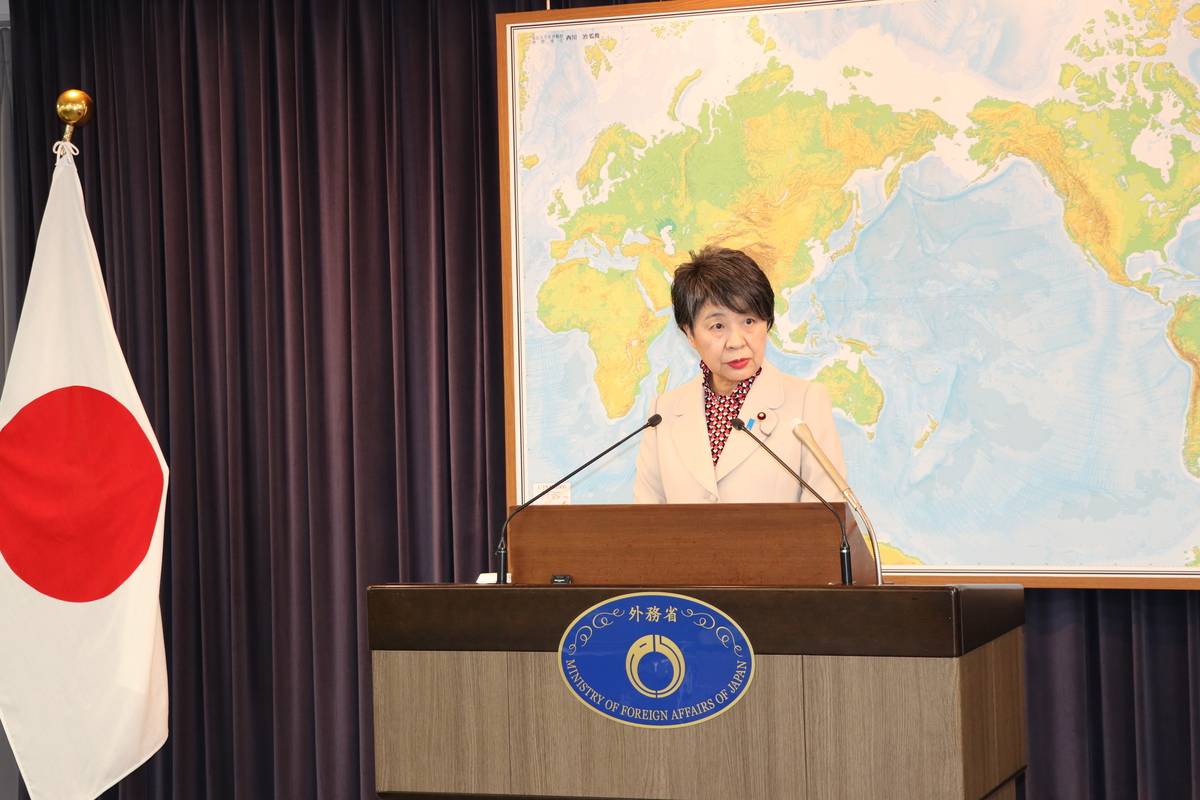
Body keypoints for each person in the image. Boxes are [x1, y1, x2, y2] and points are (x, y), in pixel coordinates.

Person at [634, 246, 847, 503]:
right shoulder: (663, 413)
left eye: (749, 321)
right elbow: (647, 518)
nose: (736, 342)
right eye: (718, 326)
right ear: (689, 333)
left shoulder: (805, 402)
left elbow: (825, 516)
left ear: (766, 321)